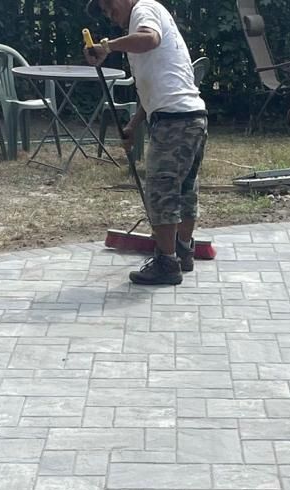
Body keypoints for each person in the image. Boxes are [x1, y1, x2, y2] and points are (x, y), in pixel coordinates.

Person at [85, 0, 207, 287]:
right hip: (191, 116)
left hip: (175, 121)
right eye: (103, 11)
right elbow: (154, 86)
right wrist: (133, 125)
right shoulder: (141, 23)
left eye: (108, 5)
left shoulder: (144, 9)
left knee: (161, 191)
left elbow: (150, 39)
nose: (109, 13)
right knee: (184, 190)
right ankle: (182, 251)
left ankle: (167, 263)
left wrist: (107, 46)